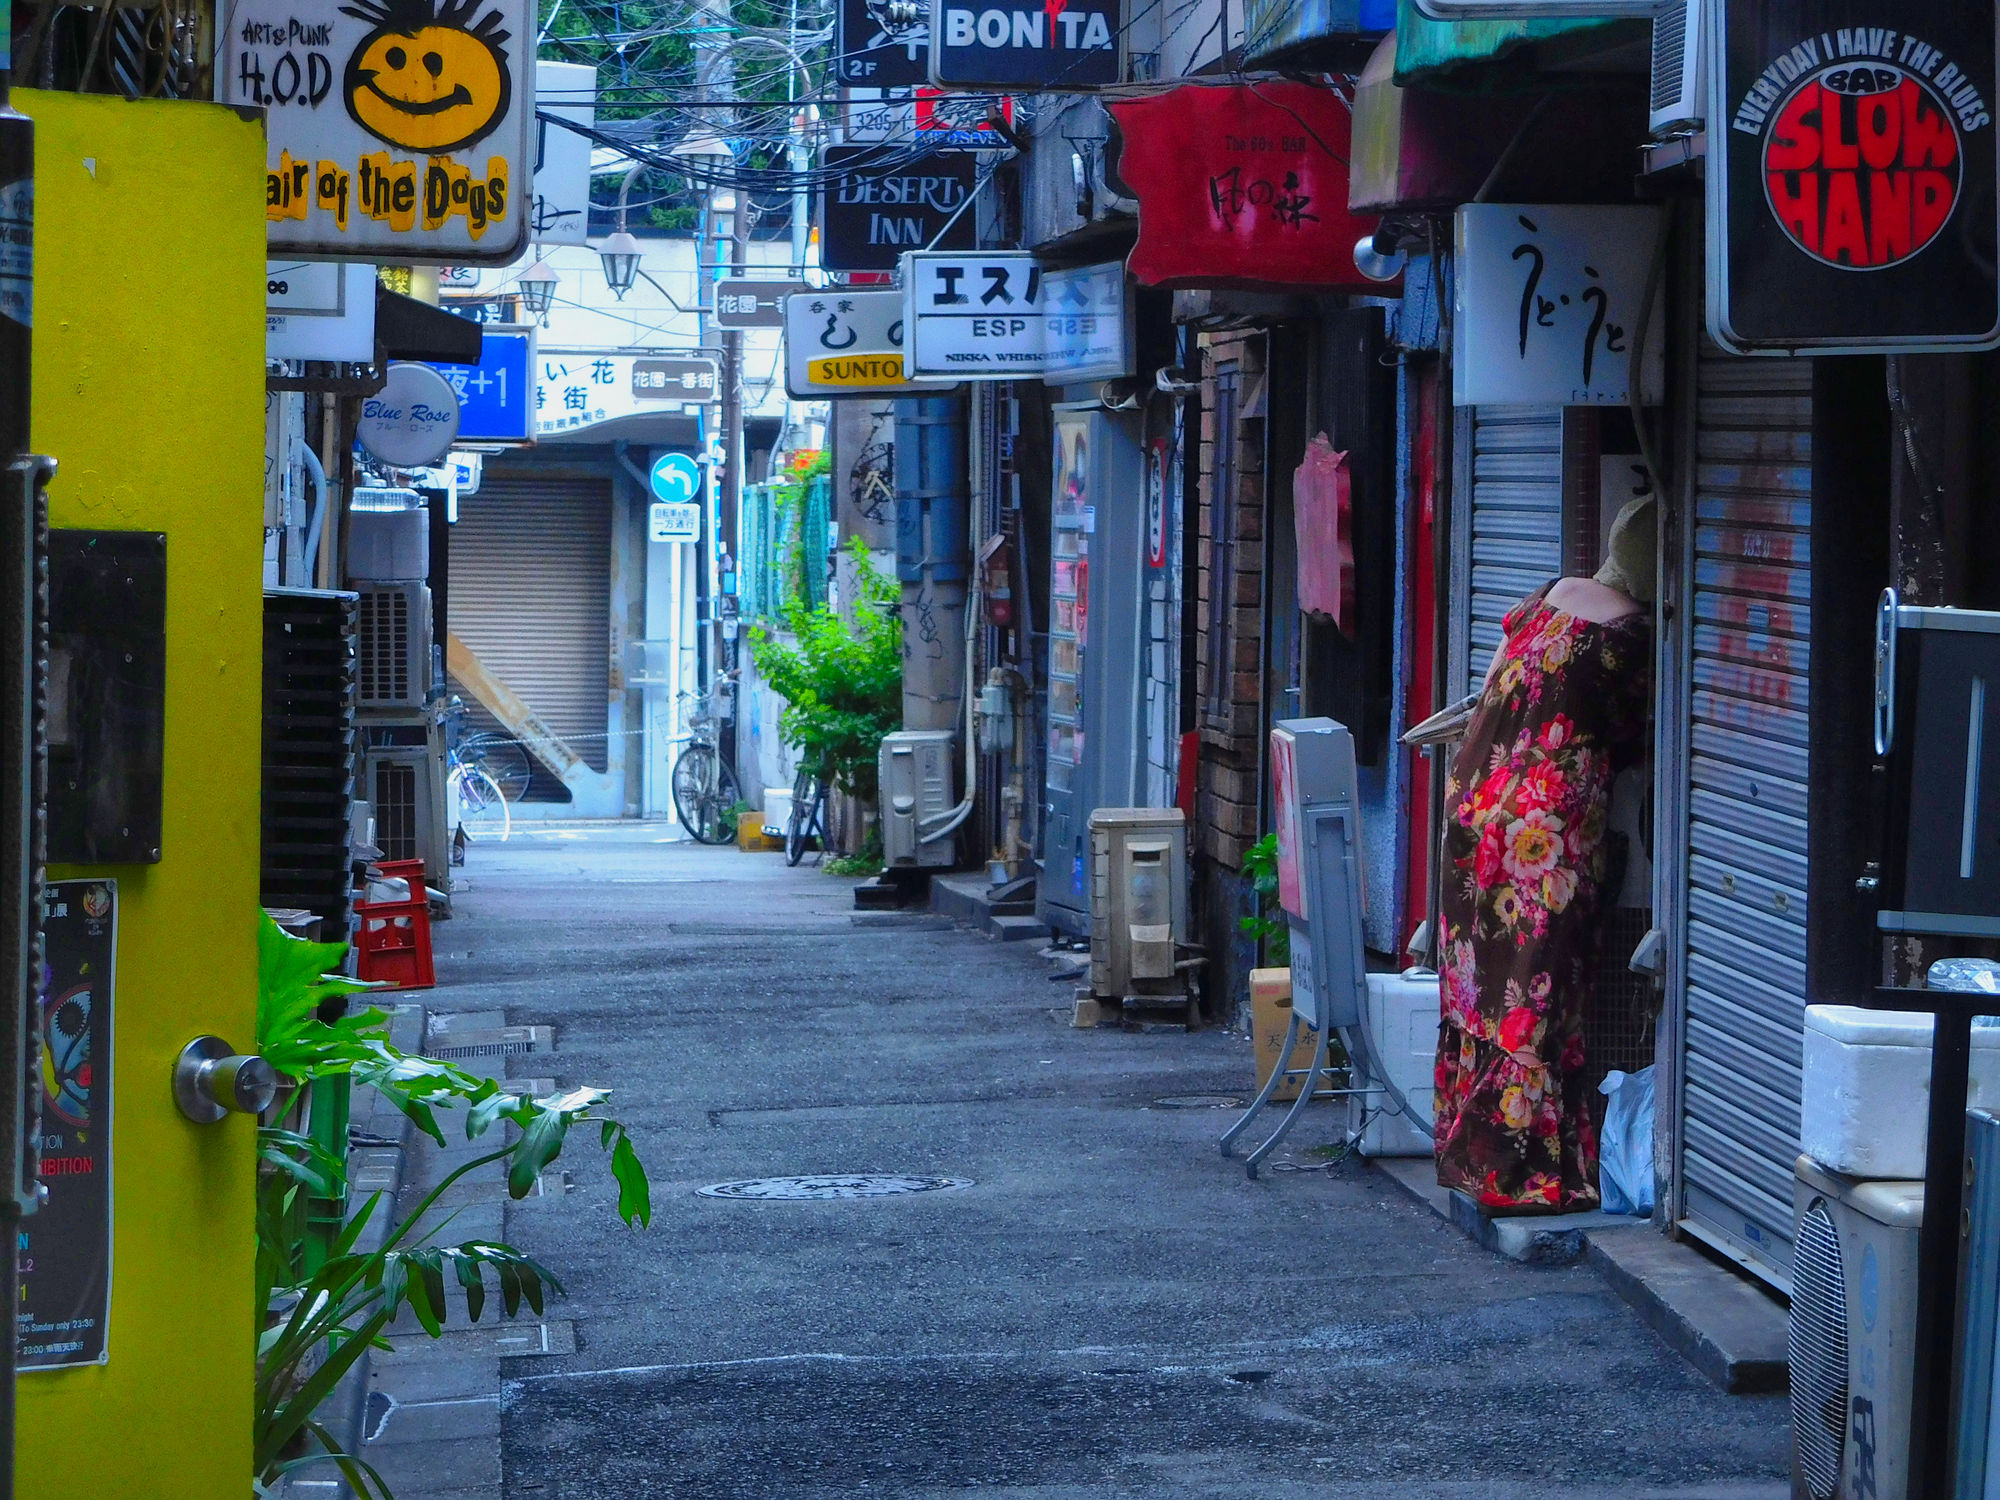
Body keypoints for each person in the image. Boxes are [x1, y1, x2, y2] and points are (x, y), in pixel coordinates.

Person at [1433, 495, 1656, 1214]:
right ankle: (1520, 1174)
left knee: (1480, 987)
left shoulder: (1549, 594)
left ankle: (1471, 1154)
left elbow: (1488, 692)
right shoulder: (1631, 636)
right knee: (1539, 988)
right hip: (1547, 833)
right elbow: (1631, 737)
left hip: (1474, 806)